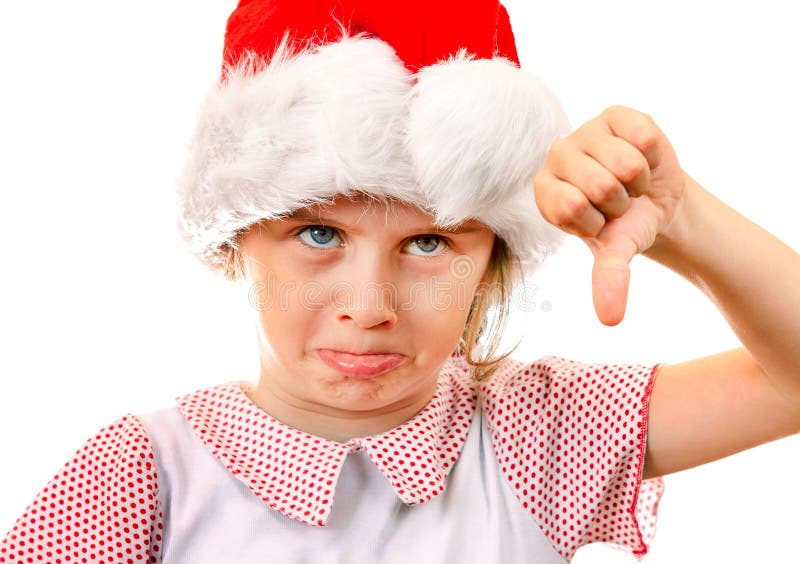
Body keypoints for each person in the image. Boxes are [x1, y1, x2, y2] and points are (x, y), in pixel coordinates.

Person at [1, 1, 799, 563]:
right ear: (239, 241)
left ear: (490, 257)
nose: (369, 307)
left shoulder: (536, 438)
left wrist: (686, 217)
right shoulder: (141, 475)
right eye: (318, 234)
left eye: (426, 243)